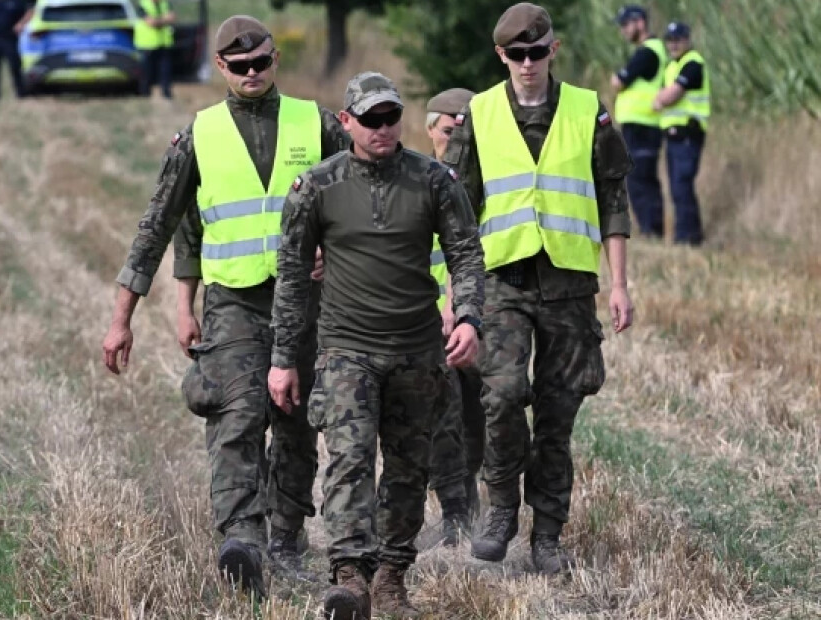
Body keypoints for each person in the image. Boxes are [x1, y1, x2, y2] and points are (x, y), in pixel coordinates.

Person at [101, 15, 348, 600]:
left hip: (306, 304)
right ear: (220, 68)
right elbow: (157, 227)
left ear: (274, 59)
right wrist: (121, 318)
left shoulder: (316, 124)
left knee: (295, 421)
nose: (253, 73)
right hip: (234, 301)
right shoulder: (200, 135)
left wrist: (332, 253)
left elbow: (363, 197)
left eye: (261, 62)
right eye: (240, 67)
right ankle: (241, 539)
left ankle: (286, 536)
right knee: (237, 415)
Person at [268, 72, 485, 620]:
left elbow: (465, 252)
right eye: (370, 120)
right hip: (346, 348)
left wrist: (468, 317)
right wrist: (282, 360)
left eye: (391, 118)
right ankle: (349, 576)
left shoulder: (433, 180)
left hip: (416, 350)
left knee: (409, 468)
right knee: (349, 460)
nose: (382, 128)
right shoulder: (316, 187)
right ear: (347, 123)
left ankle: (391, 576)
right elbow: (292, 278)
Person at [442, 2, 635, 575]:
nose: (527, 63)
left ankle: (547, 534)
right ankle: (501, 508)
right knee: (500, 396)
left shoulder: (587, 110)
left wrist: (620, 283)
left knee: (558, 412)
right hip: (502, 281)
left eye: (536, 52)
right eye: (515, 55)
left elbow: (613, 200)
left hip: (570, 284)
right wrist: (455, 293)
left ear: (554, 49)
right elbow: (456, 210)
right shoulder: (478, 113)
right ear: (502, 56)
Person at [425, 87, 486, 546]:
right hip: (419, 318)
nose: (457, 141)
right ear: (430, 130)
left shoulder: (483, 186)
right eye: (449, 132)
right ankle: (450, 508)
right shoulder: (414, 180)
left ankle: (464, 502)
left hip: (470, 317)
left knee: (472, 412)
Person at [611, 5, 667, 238]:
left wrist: (618, 79)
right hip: (643, 124)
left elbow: (619, 81)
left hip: (642, 125)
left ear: (640, 23)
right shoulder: (652, 50)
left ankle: (650, 230)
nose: (623, 30)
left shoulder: (648, 52)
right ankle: (650, 229)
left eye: (626, 24)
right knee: (643, 178)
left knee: (640, 179)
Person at [654, 21, 710, 246]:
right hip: (674, 135)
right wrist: (662, 97)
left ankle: (689, 237)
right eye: (670, 40)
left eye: (678, 39)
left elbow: (670, 96)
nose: (673, 44)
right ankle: (683, 235)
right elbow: (663, 95)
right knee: (677, 188)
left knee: (682, 185)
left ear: (687, 40)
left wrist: (662, 98)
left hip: (689, 132)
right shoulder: (672, 66)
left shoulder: (693, 63)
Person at [134, 0, 175, 99]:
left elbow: (172, 17)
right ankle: (145, 93)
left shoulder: (165, 3)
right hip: (147, 44)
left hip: (164, 43)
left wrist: (158, 21)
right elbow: (151, 22)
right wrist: (164, 20)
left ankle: (166, 93)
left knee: (165, 70)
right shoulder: (142, 4)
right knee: (147, 71)